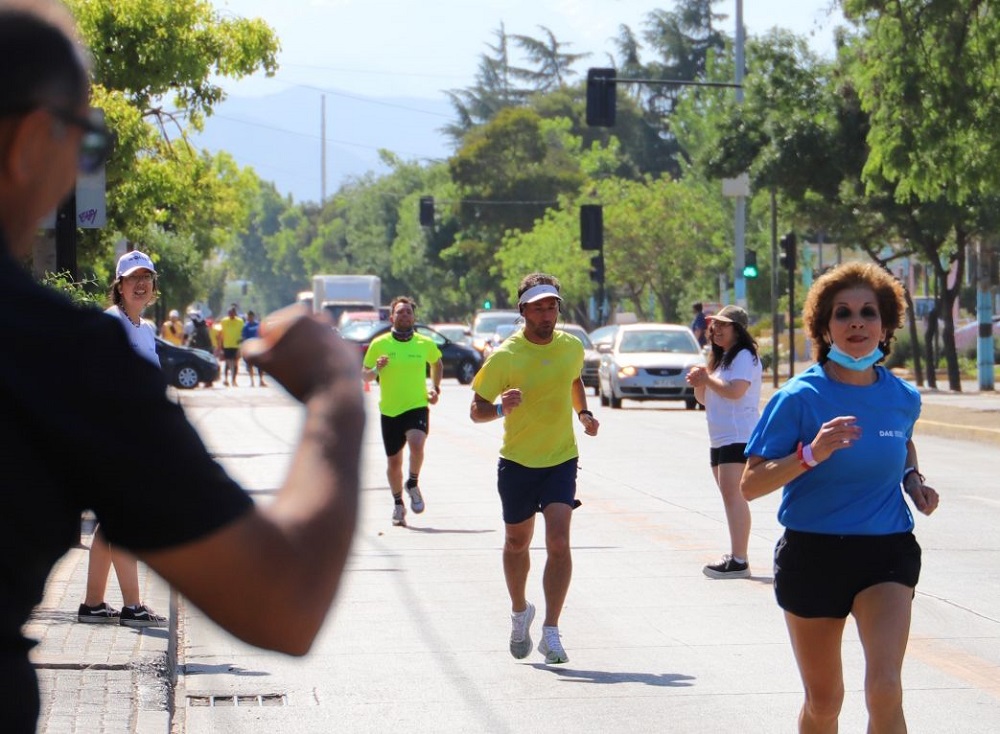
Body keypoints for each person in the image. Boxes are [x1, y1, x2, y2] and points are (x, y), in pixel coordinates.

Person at [0, 4, 364, 731]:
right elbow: (282, 602)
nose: (83, 166)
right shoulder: (59, 355)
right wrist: (336, 391)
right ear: (35, 141)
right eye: (89, 138)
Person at [740, 261, 939, 732]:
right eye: (843, 313)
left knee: (885, 688)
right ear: (825, 327)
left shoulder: (903, 397)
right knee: (825, 701)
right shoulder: (798, 397)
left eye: (869, 313)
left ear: (885, 327)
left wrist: (912, 479)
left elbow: (902, 441)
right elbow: (751, 484)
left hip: (886, 551)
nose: (857, 323)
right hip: (814, 554)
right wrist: (812, 453)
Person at [470, 273, 599, 665]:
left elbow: (573, 379)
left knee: (558, 541)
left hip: (561, 459)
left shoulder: (571, 347)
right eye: (538, 308)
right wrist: (500, 408)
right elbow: (476, 410)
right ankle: (519, 611)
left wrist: (583, 413)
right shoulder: (506, 356)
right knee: (517, 543)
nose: (546, 315)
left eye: (551, 307)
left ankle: (552, 630)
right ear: (523, 310)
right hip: (517, 462)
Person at [76, 250, 167, 627]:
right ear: (120, 285)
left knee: (110, 525)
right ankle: (133, 606)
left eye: (146, 277)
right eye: (133, 278)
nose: (140, 284)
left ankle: (93, 605)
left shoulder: (144, 329)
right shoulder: (109, 324)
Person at [685, 305, 762, 579]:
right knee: (730, 496)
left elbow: (735, 391)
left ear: (737, 330)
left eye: (723, 325)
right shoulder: (720, 358)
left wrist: (707, 378)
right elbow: (705, 399)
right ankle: (737, 555)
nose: (716, 329)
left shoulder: (744, 355)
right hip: (719, 437)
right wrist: (700, 382)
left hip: (738, 435)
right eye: (714, 324)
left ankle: (739, 559)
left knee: (733, 495)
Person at [362, 296, 443, 527]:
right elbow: (365, 376)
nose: (405, 315)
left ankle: (413, 482)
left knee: (417, 443)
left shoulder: (424, 343)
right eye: (400, 312)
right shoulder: (379, 344)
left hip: (417, 405)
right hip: (390, 411)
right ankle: (398, 504)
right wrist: (376, 368)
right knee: (394, 463)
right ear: (391, 317)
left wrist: (435, 388)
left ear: (414, 317)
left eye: (408, 312)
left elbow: (437, 363)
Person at [217, 304, 245, 386]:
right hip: (226, 345)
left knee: (236, 363)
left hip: (236, 346)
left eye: (233, 313)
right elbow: (220, 333)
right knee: (227, 363)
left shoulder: (240, 321)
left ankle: (234, 380)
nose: (231, 314)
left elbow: (242, 332)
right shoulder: (224, 321)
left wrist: (242, 341)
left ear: (235, 313)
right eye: (229, 313)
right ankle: (226, 379)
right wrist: (220, 346)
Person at [241, 310, 267, 386]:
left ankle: (261, 380)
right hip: (249, 346)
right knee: (250, 365)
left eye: (251, 316)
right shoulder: (246, 326)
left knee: (260, 365)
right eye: (249, 317)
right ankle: (252, 381)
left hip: (258, 346)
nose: (250, 318)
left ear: (253, 316)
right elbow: (244, 337)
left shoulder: (258, 325)